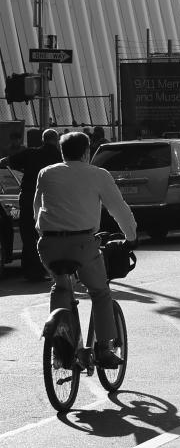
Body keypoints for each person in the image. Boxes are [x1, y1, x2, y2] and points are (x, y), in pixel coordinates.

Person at [34, 132, 137, 368]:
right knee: (100, 293)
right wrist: (131, 237)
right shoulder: (98, 175)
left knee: (60, 287)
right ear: (86, 152)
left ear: (62, 152)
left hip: (48, 245)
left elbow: (36, 209)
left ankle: (62, 350)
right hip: (82, 244)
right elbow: (119, 209)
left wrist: (44, 233)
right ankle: (104, 350)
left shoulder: (46, 173)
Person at [0, 129, 63, 281]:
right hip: (50, 199)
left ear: (43, 139)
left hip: (28, 197)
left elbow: (4, 162)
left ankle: (30, 271)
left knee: (28, 234)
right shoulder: (60, 157)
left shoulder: (30, 153)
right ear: (56, 140)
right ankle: (52, 269)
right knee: (49, 234)